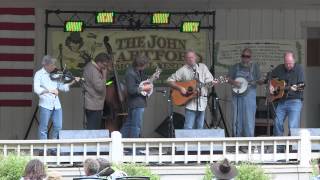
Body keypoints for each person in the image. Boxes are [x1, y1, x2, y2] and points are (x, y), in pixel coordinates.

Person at [167, 50, 217, 129]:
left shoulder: (202, 67)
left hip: (202, 101)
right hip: (190, 103)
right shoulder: (183, 70)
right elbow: (170, 81)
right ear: (185, 59)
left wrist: (213, 82)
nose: (190, 59)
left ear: (196, 58)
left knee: (200, 127)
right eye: (188, 58)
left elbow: (209, 82)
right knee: (188, 127)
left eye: (192, 57)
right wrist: (180, 88)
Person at [34, 55, 78, 140]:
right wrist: (50, 91)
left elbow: (62, 87)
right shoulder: (39, 74)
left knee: (58, 126)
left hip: (56, 105)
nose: (55, 67)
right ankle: (43, 149)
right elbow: (36, 89)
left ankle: (54, 148)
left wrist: (72, 82)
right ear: (46, 65)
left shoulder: (55, 74)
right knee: (43, 128)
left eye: (54, 65)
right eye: (52, 65)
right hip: (45, 104)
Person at [228, 48, 264, 137]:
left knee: (249, 119)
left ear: (250, 57)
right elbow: (227, 78)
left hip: (249, 96)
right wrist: (233, 82)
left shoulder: (255, 67)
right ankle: (237, 141)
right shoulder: (235, 67)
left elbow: (260, 81)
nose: (245, 58)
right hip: (236, 96)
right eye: (243, 56)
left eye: (247, 56)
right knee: (237, 119)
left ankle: (249, 141)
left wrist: (261, 81)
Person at [270, 51, 304, 136]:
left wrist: (293, 87)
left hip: (295, 101)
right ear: (284, 62)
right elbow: (270, 76)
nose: (288, 65)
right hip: (282, 101)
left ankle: (292, 147)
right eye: (286, 63)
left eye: (290, 63)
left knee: (292, 125)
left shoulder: (299, 69)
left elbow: (301, 86)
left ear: (294, 61)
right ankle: (279, 147)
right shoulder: (279, 68)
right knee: (277, 123)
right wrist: (271, 85)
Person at [120, 55, 152, 138]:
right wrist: (144, 88)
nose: (146, 66)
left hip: (138, 103)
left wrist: (152, 78)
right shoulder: (130, 73)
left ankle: (119, 143)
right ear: (141, 65)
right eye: (146, 65)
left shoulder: (138, 71)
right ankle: (134, 148)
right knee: (136, 126)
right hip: (136, 103)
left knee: (129, 123)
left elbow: (143, 82)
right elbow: (131, 90)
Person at [83, 53, 112, 129]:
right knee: (93, 129)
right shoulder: (93, 70)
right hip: (94, 105)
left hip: (93, 103)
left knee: (93, 128)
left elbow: (103, 83)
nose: (105, 68)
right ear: (99, 62)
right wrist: (104, 76)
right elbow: (100, 88)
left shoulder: (91, 67)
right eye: (104, 65)